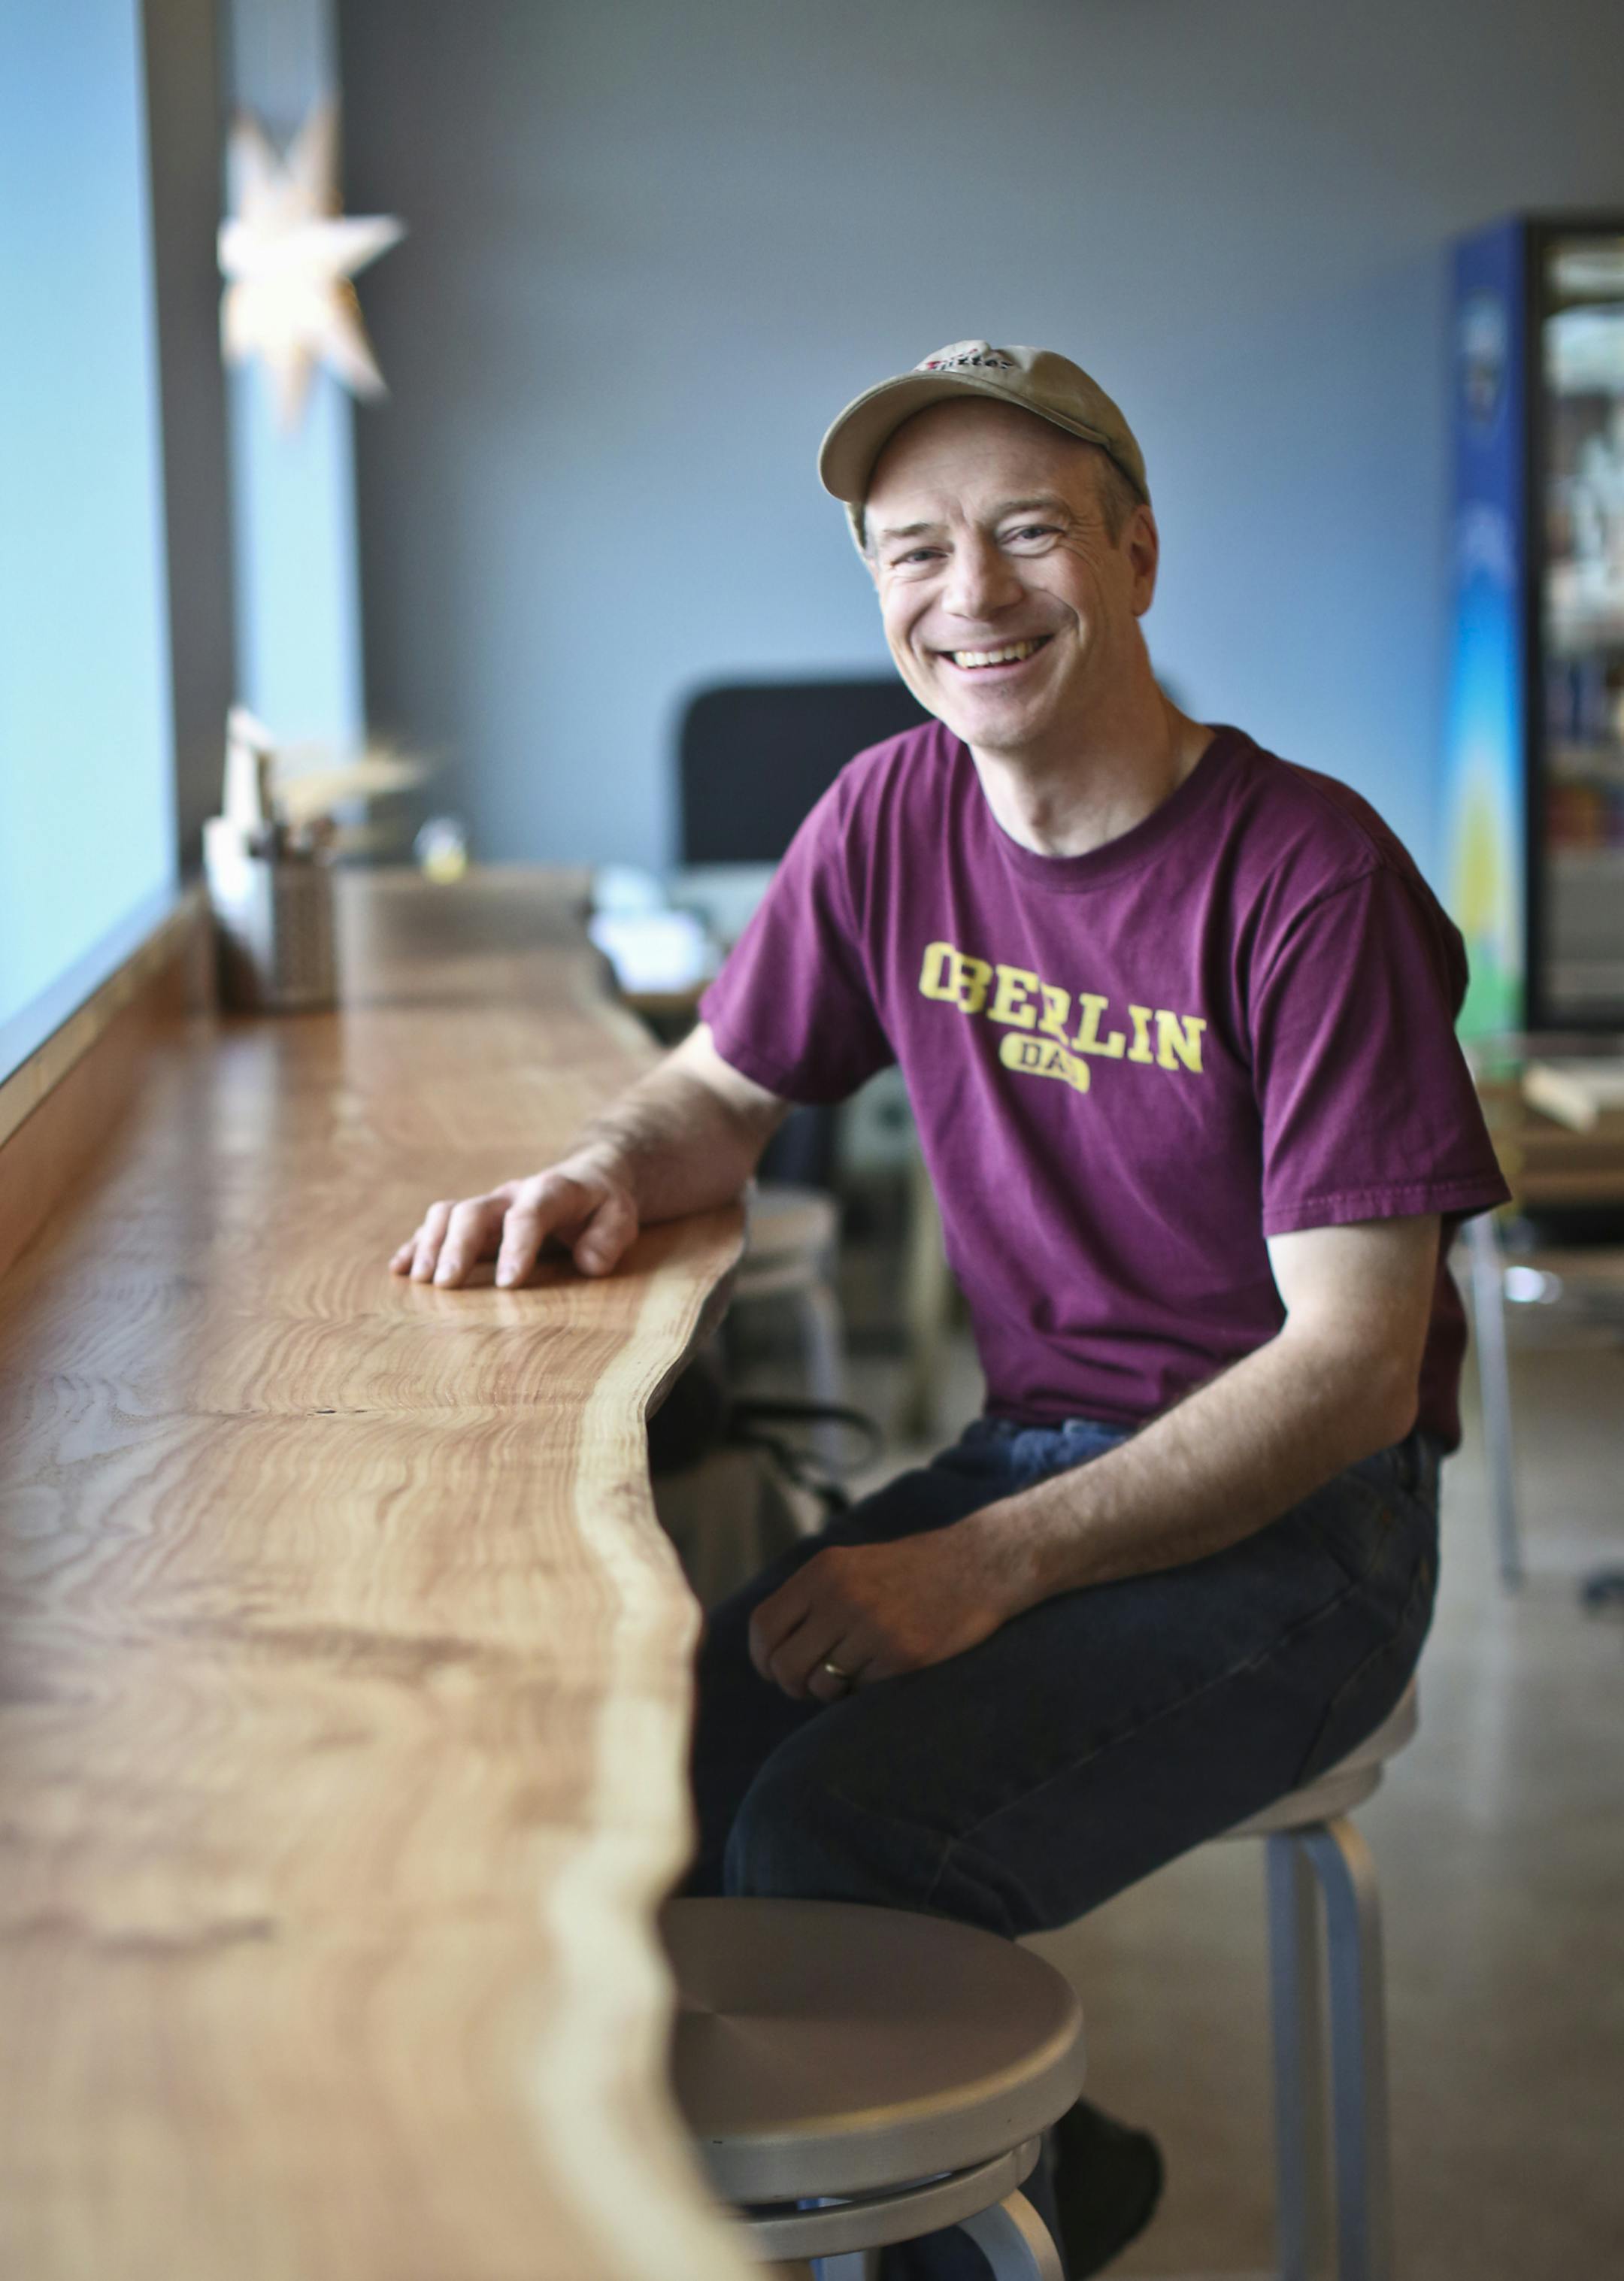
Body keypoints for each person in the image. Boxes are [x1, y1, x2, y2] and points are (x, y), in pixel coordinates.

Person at [391, 341, 1510, 2276]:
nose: (970, 595)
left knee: (835, 1842)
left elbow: (1344, 1374)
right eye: (914, 551)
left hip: (1308, 1534)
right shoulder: (893, 815)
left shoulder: (1311, 878)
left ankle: (980, 2215)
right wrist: (599, 1168)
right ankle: (1045, 2172)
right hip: (1029, 1459)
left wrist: (983, 1563)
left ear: (1137, 554)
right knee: (650, 1779)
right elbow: (719, 1095)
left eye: (1028, 535)